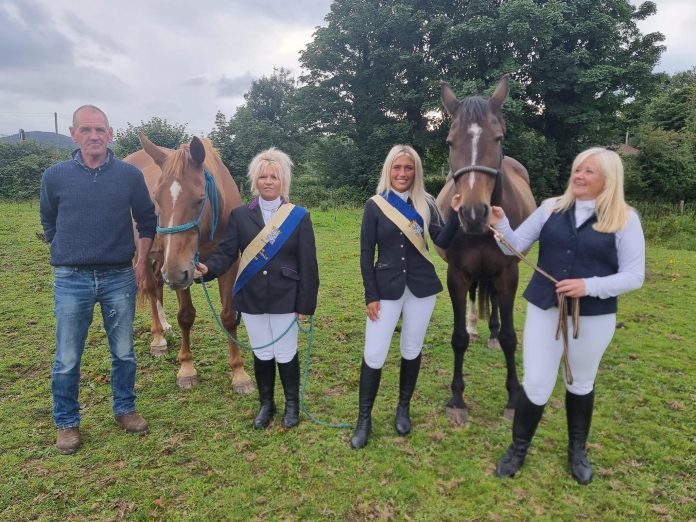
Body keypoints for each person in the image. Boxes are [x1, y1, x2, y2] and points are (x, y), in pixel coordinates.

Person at [490, 147, 645, 484]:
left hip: (593, 316)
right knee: (536, 383)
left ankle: (577, 450)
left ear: (609, 178)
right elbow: (512, 247)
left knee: (580, 382)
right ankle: (518, 448)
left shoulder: (625, 220)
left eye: (589, 171)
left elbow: (635, 275)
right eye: (577, 169)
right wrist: (500, 222)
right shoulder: (550, 209)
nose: (579, 175)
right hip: (544, 308)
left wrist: (588, 286)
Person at [40, 105, 157, 454]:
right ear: (74, 134)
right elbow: (48, 220)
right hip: (71, 278)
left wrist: (139, 260)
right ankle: (67, 422)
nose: (94, 136)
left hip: (118, 275)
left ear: (110, 134)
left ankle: (124, 408)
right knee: (68, 356)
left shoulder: (129, 176)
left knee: (123, 352)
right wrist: (63, 248)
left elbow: (147, 220)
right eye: (86, 130)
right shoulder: (55, 176)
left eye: (100, 130)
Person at [195, 148, 319, 430]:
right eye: (263, 176)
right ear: (255, 180)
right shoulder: (240, 216)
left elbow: (308, 265)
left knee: (286, 352)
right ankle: (266, 404)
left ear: (283, 181)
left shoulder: (298, 216)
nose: (268, 181)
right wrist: (207, 270)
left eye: (274, 176)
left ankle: (291, 405)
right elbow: (226, 253)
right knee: (262, 352)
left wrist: (305, 305)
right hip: (251, 296)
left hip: (286, 295)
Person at [350, 145, 460, 449]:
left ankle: (403, 408)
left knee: (411, 349)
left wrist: (457, 215)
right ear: (389, 170)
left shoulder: (426, 203)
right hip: (385, 289)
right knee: (374, 353)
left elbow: (441, 240)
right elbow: (365, 253)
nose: (402, 174)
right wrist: (370, 294)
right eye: (397, 168)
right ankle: (364, 420)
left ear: (416, 172)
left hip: (422, 288)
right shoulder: (375, 205)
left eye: (408, 168)